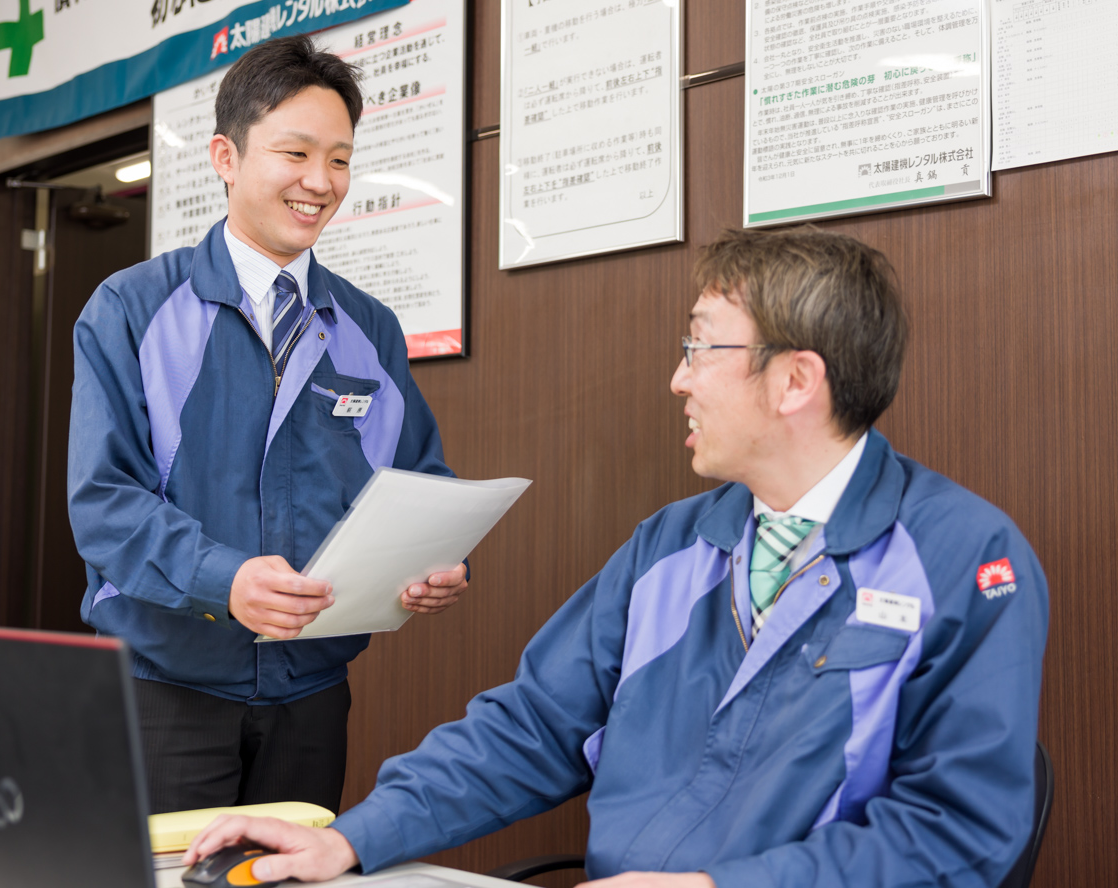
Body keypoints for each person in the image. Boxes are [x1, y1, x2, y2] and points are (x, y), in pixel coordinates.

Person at [183, 228, 1050, 888]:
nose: (677, 379)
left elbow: (958, 831)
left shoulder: (966, 560)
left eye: (700, 348)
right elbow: (530, 728)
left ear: (795, 381)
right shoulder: (670, 548)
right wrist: (350, 838)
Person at [68, 36, 468, 815]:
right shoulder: (131, 308)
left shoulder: (368, 325)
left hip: (312, 695)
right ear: (226, 156)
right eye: (296, 153)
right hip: (164, 689)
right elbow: (103, 503)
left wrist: (430, 558)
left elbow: (417, 480)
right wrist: (227, 580)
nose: (321, 183)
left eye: (341, 160)